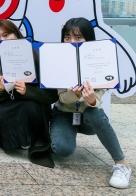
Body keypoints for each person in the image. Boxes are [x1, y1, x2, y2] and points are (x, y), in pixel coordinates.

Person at [50, 17, 131, 189]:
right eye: (67, 37)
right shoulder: (57, 60)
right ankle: (55, 134)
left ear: (88, 39)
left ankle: (121, 164)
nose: (72, 42)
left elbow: (99, 97)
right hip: (63, 114)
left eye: (78, 37)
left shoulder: (102, 60)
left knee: (94, 113)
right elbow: (62, 98)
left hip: (88, 117)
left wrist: (91, 99)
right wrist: (75, 94)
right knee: (62, 149)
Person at [0, 19, 58, 168]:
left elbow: (51, 95)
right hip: (2, 103)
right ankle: (10, 140)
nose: (2, 40)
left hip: (28, 102)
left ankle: (27, 138)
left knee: (31, 108)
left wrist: (29, 91)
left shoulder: (35, 57)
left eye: (6, 35)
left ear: (16, 35)